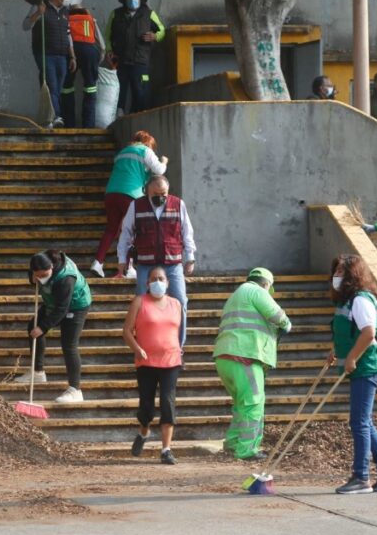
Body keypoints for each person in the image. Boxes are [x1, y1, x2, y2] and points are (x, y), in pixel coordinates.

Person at [327, 255, 377, 494]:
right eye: (335, 271)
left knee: (358, 421)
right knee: (364, 421)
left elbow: (369, 333)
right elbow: (348, 330)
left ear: (353, 275)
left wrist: (351, 358)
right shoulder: (348, 302)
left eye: (341, 272)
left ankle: (361, 477)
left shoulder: (360, 300)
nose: (336, 276)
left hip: (368, 366)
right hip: (362, 365)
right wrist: (335, 352)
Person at [213, 268, 292, 460]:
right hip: (245, 356)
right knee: (254, 403)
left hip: (226, 357)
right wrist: (287, 324)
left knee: (242, 404)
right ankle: (247, 450)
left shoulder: (235, 296)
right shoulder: (257, 291)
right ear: (267, 284)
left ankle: (232, 444)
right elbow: (278, 316)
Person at [116, 175, 196, 347]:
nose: (160, 196)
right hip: (146, 263)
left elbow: (187, 232)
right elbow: (126, 234)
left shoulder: (178, 204)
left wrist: (190, 257)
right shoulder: (136, 206)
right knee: (141, 302)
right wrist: (122, 260)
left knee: (180, 301)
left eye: (164, 193)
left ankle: (178, 347)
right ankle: (143, 343)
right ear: (147, 191)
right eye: (156, 193)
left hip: (172, 263)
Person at [123, 266, 183, 465]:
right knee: (146, 405)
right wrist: (137, 348)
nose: (158, 281)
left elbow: (178, 330)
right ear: (147, 283)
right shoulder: (140, 302)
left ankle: (166, 449)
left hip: (171, 360)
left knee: (168, 402)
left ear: (167, 282)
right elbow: (127, 331)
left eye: (162, 278)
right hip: (146, 361)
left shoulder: (176, 304)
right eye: (154, 278)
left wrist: (178, 348)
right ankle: (144, 432)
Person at [17, 250, 92, 403]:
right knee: (33, 327)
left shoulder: (66, 278)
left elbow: (62, 309)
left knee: (69, 344)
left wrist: (43, 328)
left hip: (75, 305)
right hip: (53, 301)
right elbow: (34, 277)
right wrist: (33, 278)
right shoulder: (39, 260)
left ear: (51, 267)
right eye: (38, 275)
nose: (41, 279)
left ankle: (75, 390)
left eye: (44, 275)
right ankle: (38, 372)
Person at [91, 130, 167, 279]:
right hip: (130, 195)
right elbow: (158, 171)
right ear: (148, 143)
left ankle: (98, 262)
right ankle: (128, 268)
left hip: (111, 193)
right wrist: (164, 161)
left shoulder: (122, 152)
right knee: (131, 231)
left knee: (111, 229)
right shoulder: (145, 150)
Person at [23, 0, 77, 129]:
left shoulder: (65, 11)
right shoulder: (41, 7)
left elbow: (68, 35)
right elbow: (26, 26)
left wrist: (72, 56)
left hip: (62, 55)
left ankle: (49, 119)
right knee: (52, 85)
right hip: (45, 54)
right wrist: (37, 14)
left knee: (57, 87)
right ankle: (56, 116)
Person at [105, 0, 166, 115]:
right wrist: (109, 50)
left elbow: (162, 30)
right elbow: (107, 35)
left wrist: (155, 36)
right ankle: (118, 118)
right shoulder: (115, 14)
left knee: (140, 92)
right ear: (125, 0)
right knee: (118, 92)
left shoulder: (149, 14)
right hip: (120, 61)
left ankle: (137, 117)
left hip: (140, 61)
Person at [59, 5, 106, 128]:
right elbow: (101, 44)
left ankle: (69, 124)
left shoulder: (66, 19)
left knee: (67, 87)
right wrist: (101, 55)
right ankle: (88, 125)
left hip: (70, 52)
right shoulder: (90, 19)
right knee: (90, 88)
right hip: (89, 52)